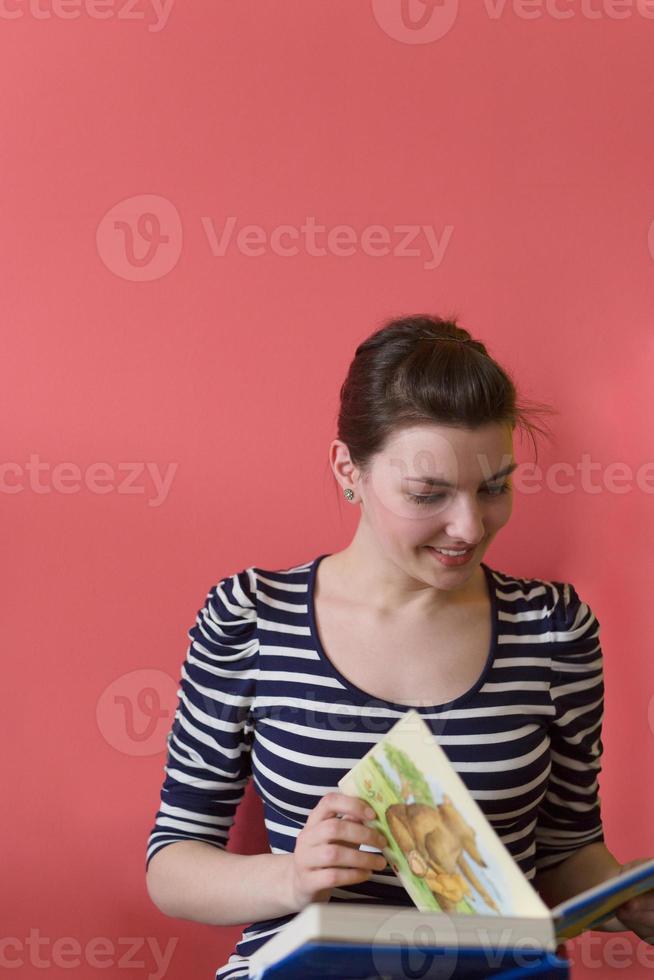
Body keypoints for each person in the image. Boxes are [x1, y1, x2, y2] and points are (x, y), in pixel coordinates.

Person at [145, 315, 654, 979]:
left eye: (494, 487)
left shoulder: (554, 632)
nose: (469, 526)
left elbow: (565, 852)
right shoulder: (249, 618)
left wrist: (622, 895)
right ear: (347, 470)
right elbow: (174, 862)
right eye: (428, 493)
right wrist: (294, 879)